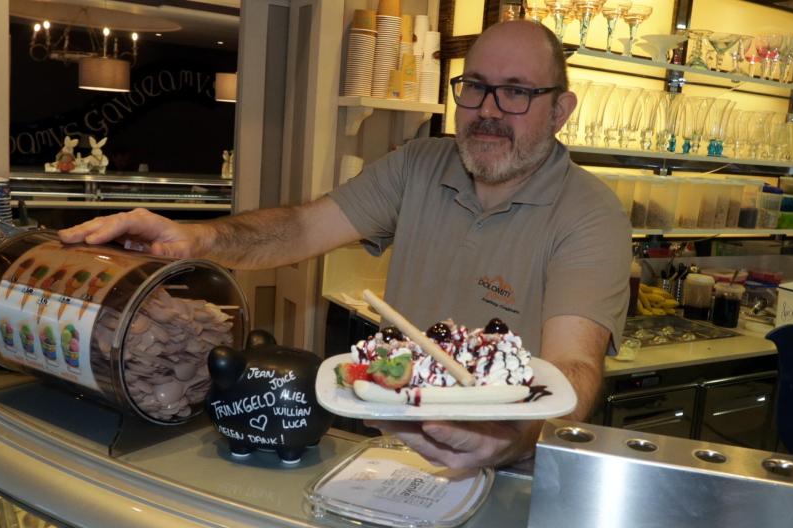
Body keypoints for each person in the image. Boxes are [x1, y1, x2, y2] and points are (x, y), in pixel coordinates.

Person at [59, 20, 631, 469]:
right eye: (475, 86)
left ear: (560, 110)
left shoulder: (588, 213)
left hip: (509, 470)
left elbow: (573, 367)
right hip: (390, 452)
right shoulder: (420, 165)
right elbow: (303, 229)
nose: (487, 110)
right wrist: (195, 237)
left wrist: (507, 443)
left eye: (516, 93)